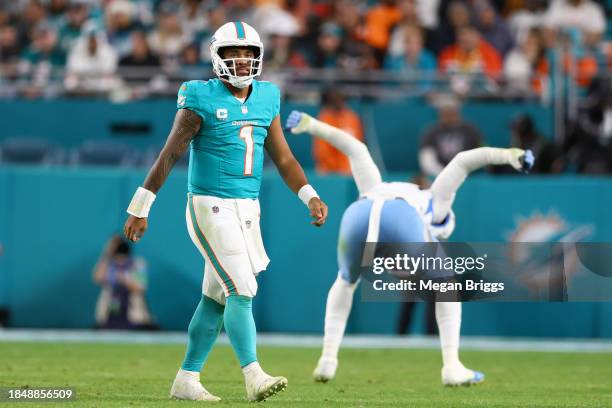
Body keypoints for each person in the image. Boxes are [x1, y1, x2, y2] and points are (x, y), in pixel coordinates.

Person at [123, 21, 328, 402]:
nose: (242, 61)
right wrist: (141, 206)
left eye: (249, 54)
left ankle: (186, 378)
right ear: (217, 57)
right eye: (234, 53)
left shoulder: (268, 96)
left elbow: (283, 157)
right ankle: (253, 375)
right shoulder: (199, 96)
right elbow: (170, 154)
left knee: (216, 297)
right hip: (209, 204)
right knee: (242, 288)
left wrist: (309, 194)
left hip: (248, 208)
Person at [285, 109, 533, 386]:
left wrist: (312, 125)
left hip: (359, 213)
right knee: (446, 285)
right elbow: (464, 160)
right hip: (402, 220)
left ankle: (327, 360)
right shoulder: (435, 201)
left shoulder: (377, 185)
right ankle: (452, 365)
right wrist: (511, 155)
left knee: (345, 281)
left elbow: (356, 149)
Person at [93, 235, 154, 330]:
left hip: (133, 313)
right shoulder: (109, 264)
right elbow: (97, 278)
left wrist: (125, 280)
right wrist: (106, 253)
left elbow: (141, 287)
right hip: (110, 312)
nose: (120, 262)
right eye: (117, 258)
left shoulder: (138, 264)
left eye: (122, 259)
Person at [418, 95, 483, 177]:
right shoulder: (432, 132)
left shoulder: (471, 130)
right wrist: (443, 174)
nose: (449, 116)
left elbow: (480, 152)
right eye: (446, 113)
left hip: (467, 175)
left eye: (452, 113)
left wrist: (464, 171)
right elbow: (427, 158)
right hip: (439, 175)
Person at [313, 89, 364, 175]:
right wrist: (335, 168)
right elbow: (321, 150)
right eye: (334, 100)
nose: (337, 102)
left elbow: (358, 143)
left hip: (350, 172)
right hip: (328, 172)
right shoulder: (324, 119)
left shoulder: (352, 118)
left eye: (340, 99)